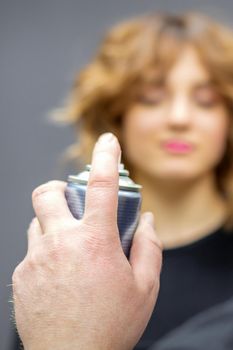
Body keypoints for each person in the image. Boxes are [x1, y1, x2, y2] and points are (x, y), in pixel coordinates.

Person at [12, 11, 233, 350]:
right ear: (117, 116)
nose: (179, 118)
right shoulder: (63, 263)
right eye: (151, 98)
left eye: (206, 101)